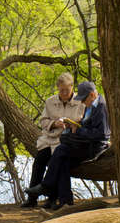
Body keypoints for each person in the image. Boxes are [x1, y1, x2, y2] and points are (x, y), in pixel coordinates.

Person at [25, 81, 111, 210]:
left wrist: (79, 130)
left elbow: (102, 134)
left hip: (94, 147)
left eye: (83, 99)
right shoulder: (90, 105)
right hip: (85, 143)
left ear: (92, 95)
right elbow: (88, 125)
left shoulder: (101, 108)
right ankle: (65, 201)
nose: (81, 102)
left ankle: (46, 186)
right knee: (62, 160)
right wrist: (75, 125)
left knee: (61, 150)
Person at [21, 72, 85, 208]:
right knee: (39, 161)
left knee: (55, 163)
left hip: (67, 140)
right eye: (61, 90)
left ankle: (52, 198)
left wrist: (72, 124)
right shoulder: (50, 101)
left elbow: (84, 122)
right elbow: (43, 121)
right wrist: (55, 123)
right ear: (57, 88)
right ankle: (32, 198)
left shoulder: (80, 102)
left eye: (67, 90)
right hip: (50, 138)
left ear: (72, 87)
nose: (64, 93)